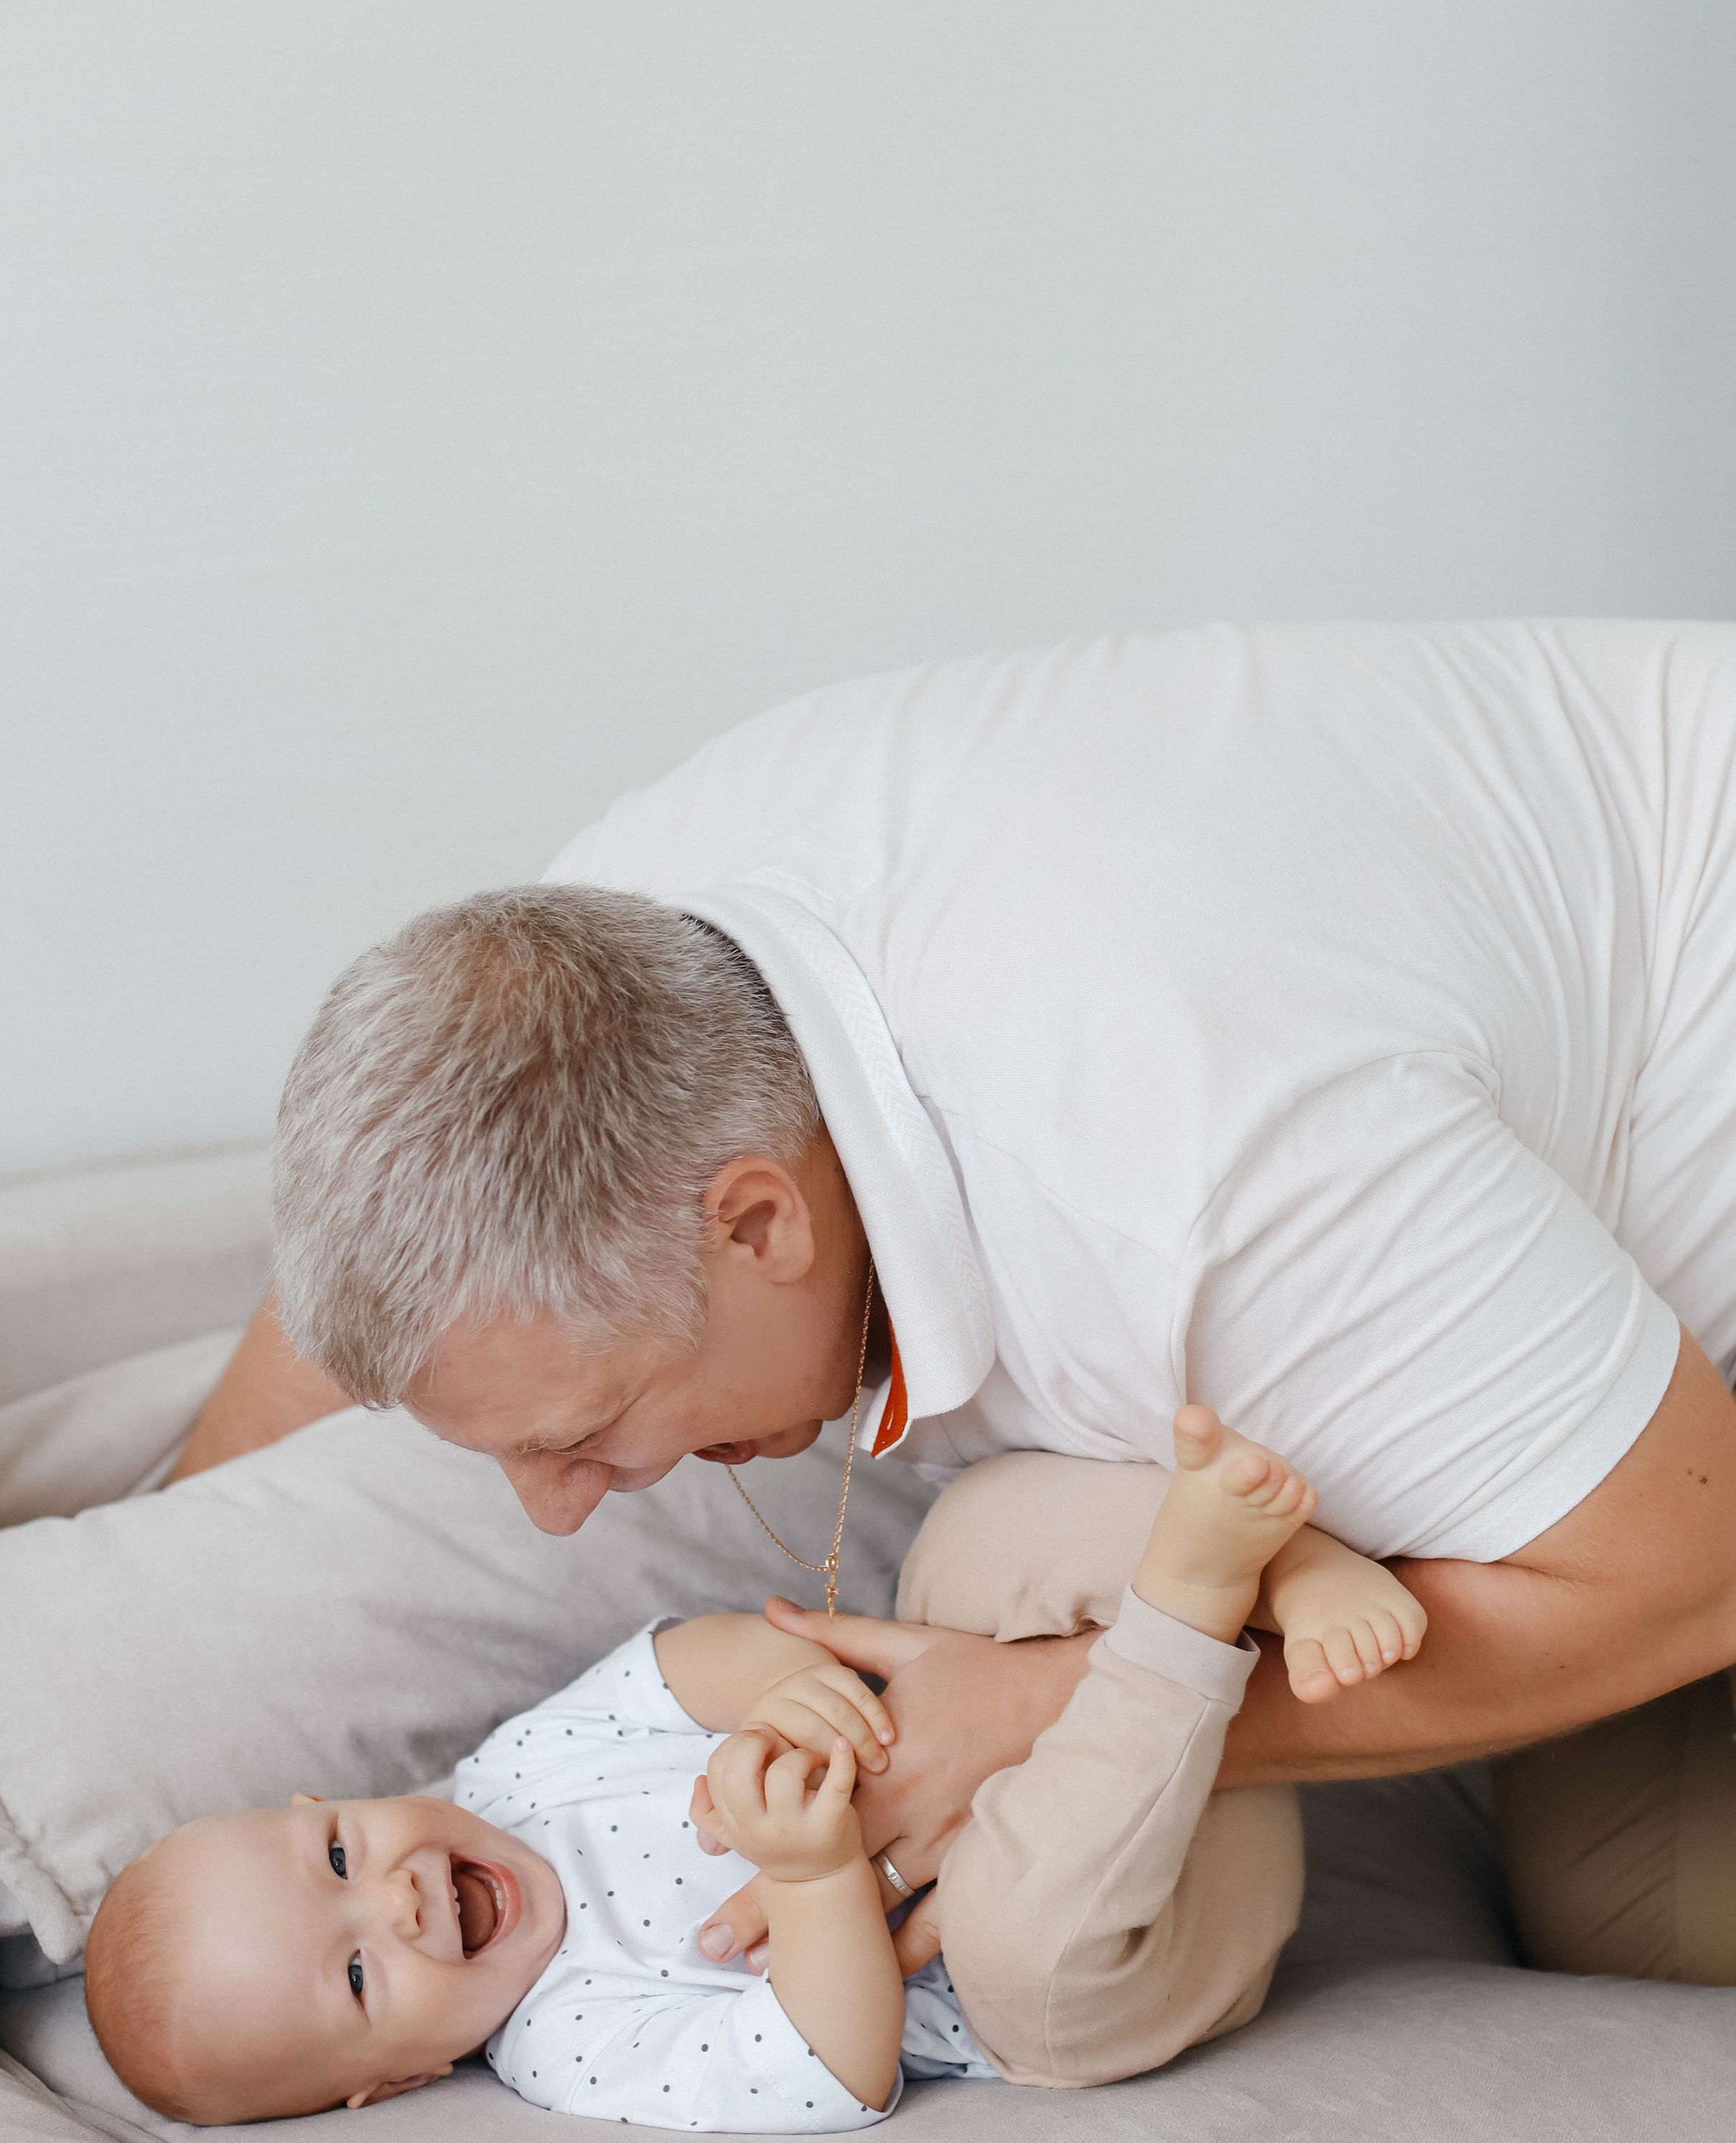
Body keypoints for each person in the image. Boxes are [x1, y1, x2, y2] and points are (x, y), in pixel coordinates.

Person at [173, 624, 1736, 1973]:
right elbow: (365, 1274)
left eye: (582, 1432)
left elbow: (1686, 1568)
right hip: (1542, 1136)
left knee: (1648, 1914)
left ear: (756, 1220)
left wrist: (1051, 1708)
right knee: (1606, 1875)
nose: (558, 1510)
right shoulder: (589, 962)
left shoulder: (1189, 1186)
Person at [89, 1410, 1407, 2125]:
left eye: (336, 1859)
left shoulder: (514, 1775)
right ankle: (1193, 1598)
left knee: (971, 1540)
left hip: (1087, 1754)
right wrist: (818, 1871)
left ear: (332, 1803)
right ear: (395, 2082)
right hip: (1124, 1942)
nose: (397, 1901)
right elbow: (840, 2067)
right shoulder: (572, 2045)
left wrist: (791, 1696)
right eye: (361, 1973)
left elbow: (678, 1661)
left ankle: (1271, 1564)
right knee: (1023, 1946)